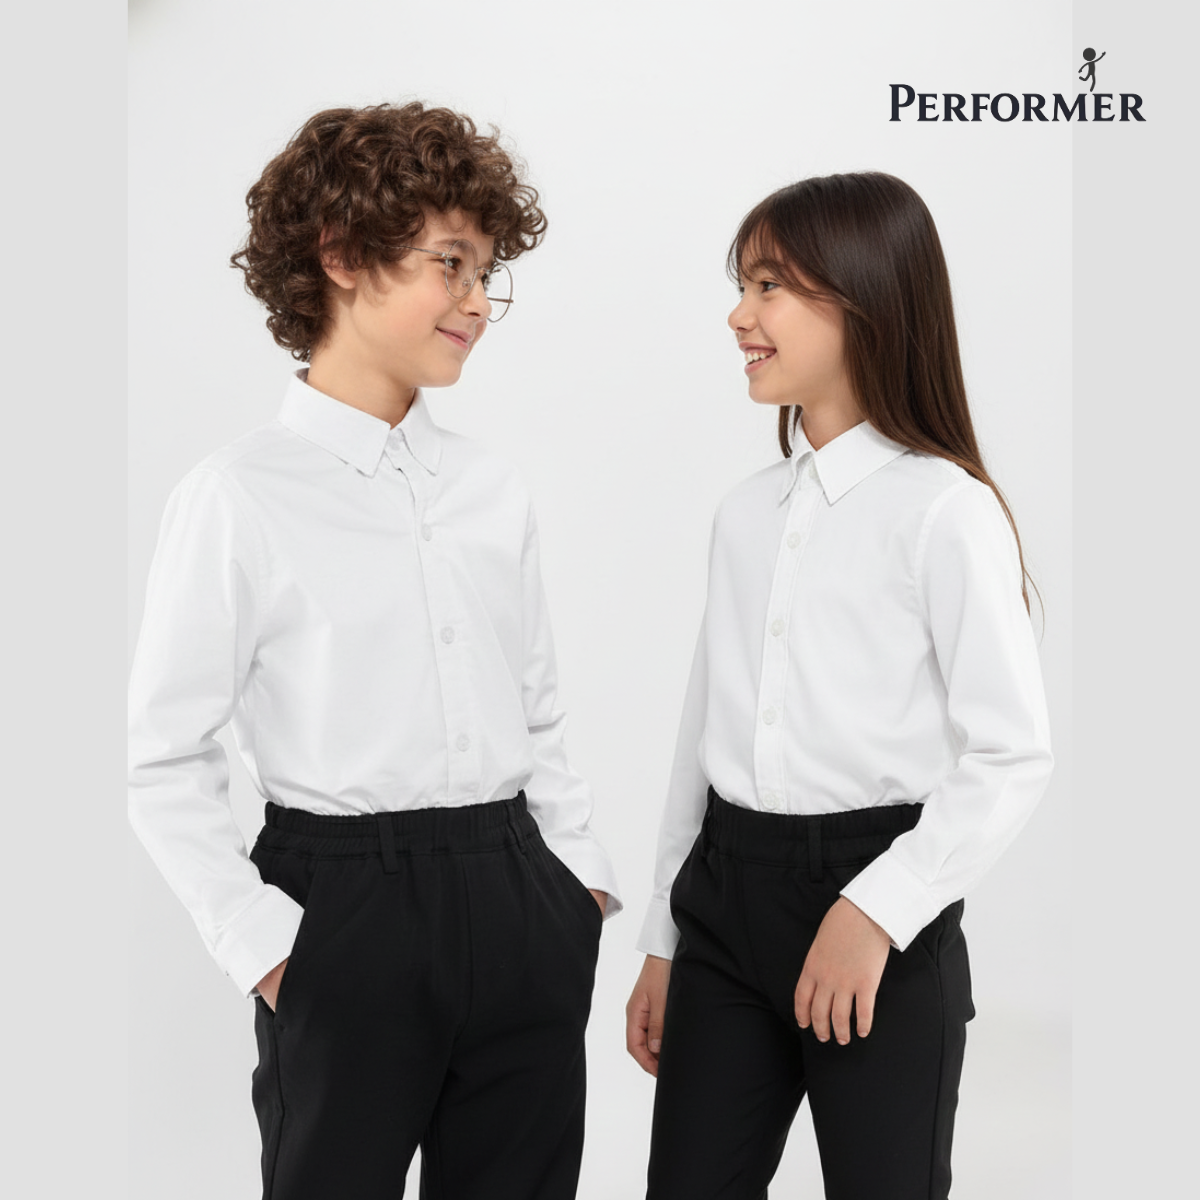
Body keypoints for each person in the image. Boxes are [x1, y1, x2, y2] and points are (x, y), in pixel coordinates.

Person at [128, 101, 620, 1200]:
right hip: (342, 909)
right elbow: (164, 755)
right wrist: (266, 947)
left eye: (487, 272)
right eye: (451, 263)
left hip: (516, 894)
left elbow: (537, 709)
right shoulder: (237, 496)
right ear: (342, 256)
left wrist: (575, 885)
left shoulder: (490, 489)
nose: (477, 300)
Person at [624, 171, 1053, 1200]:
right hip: (725, 902)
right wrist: (664, 939)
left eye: (769, 286)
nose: (740, 316)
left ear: (862, 298)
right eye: (742, 286)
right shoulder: (745, 515)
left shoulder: (943, 511)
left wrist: (877, 911)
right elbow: (702, 741)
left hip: (878, 900)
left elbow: (1011, 753)